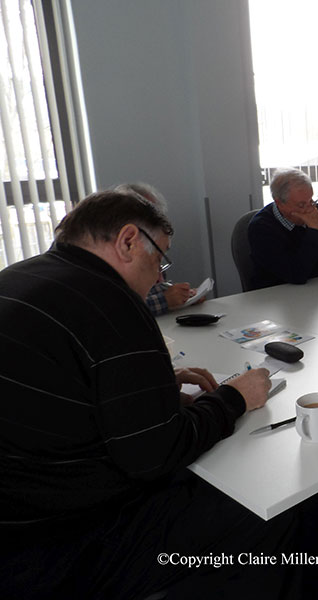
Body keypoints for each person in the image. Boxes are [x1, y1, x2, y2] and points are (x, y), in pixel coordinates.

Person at [0, 191, 297, 599]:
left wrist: (153, 387)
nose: (160, 276)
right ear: (126, 241)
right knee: (263, 503)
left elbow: (62, 391)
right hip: (60, 545)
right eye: (159, 258)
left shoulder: (21, 277)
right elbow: (156, 455)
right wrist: (234, 398)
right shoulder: (110, 301)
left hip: (20, 511)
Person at [248, 169, 318, 288]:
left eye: (311, 201)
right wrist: (314, 230)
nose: (309, 209)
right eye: (301, 205)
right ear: (279, 203)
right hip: (277, 295)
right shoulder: (261, 228)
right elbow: (296, 274)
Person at [114, 182, 204, 315]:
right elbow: (122, 310)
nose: (155, 223)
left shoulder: (152, 249)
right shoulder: (118, 259)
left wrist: (184, 296)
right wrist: (165, 300)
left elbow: (155, 288)